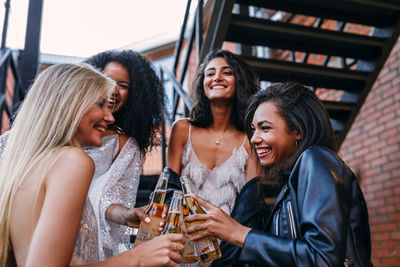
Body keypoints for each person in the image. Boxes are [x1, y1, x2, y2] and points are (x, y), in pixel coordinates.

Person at [0, 63, 184, 266]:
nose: (110, 117)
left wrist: (125, 214)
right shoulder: (72, 160)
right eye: (100, 104)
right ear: (68, 104)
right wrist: (139, 257)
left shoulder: (24, 161)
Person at [184, 82, 373, 267]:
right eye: (253, 129)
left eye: (265, 128)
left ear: (298, 130)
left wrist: (238, 233)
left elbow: (322, 259)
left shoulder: (315, 159)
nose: (255, 139)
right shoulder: (292, 180)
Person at [82, 50, 165, 258]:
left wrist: (129, 214)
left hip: (84, 238)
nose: (114, 89)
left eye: (124, 85)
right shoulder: (59, 130)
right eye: (107, 80)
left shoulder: (125, 145)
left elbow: (107, 199)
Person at [167, 49, 261, 216]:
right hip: (181, 235)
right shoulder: (182, 129)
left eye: (227, 73)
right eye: (210, 74)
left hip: (228, 239)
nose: (217, 77)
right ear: (203, 83)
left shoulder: (250, 139)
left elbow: (250, 206)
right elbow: (168, 191)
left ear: (239, 81)